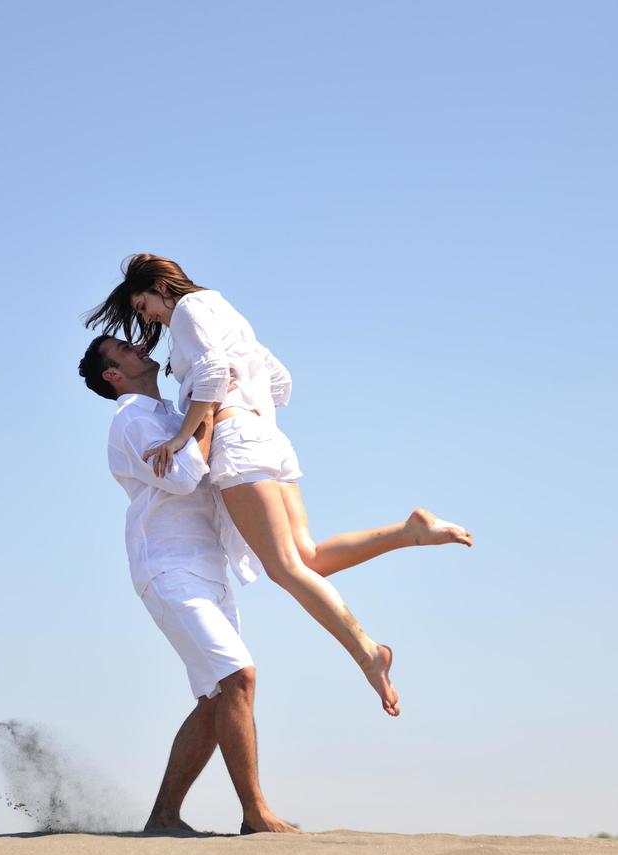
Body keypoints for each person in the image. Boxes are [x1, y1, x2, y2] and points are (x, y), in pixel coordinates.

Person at [85, 254, 473, 718]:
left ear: (158, 287)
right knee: (307, 558)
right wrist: (246, 403)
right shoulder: (224, 309)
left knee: (286, 568)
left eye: (143, 303)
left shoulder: (187, 312)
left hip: (236, 440)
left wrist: (183, 433)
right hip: (267, 436)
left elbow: (209, 375)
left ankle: (369, 653)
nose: (146, 317)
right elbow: (280, 381)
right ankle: (408, 531)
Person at [78, 333, 295, 834]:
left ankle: (163, 817)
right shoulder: (130, 418)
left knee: (218, 697)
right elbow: (179, 477)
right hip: (168, 567)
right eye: (124, 350)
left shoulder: (174, 417)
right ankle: (256, 814)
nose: (139, 347)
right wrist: (210, 415)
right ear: (113, 374)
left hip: (210, 568)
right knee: (239, 676)